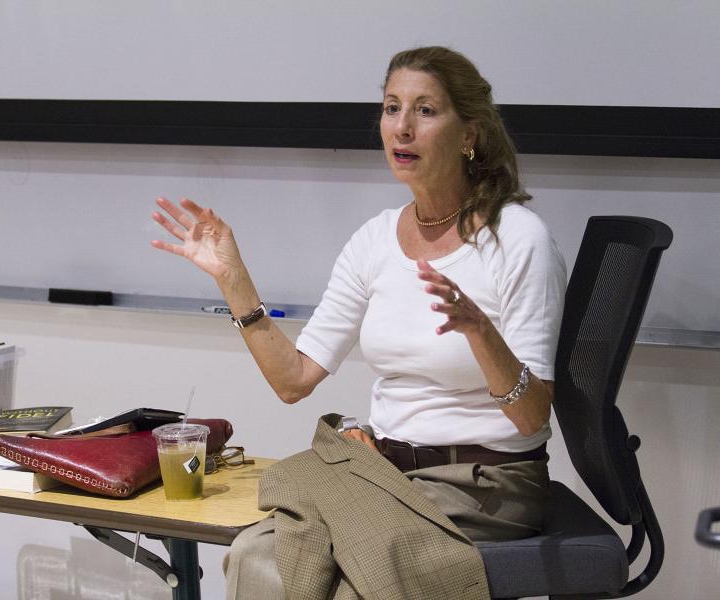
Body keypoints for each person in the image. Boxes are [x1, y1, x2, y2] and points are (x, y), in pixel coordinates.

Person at [151, 46, 566, 599]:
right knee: (254, 553)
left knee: (344, 587)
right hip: (384, 471)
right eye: (392, 108)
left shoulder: (518, 239)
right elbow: (294, 380)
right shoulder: (374, 239)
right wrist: (234, 280)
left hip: (484, 485)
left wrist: (481, 333)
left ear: (470, 135)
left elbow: (533, 415)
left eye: (425, 110)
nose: (402, 127)